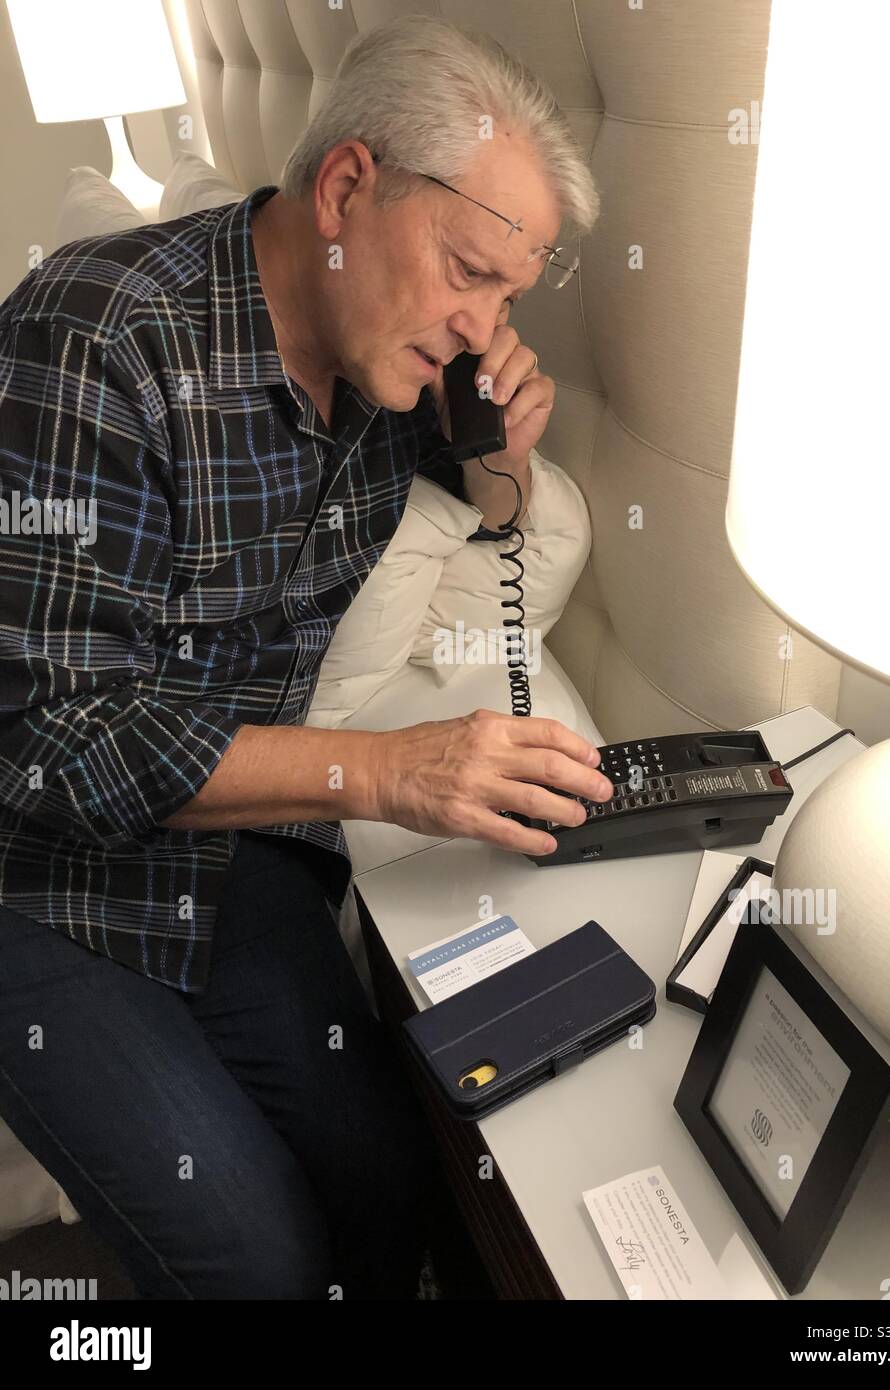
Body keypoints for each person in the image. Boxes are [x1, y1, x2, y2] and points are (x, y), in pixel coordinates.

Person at [0, 14, 607, 1298]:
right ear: (346, 186)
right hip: (38, 874)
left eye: (509, 297)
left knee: (400, 1180)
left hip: (231, 850)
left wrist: (495, 445)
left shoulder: (390, 369)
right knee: (254, 1253)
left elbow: (499, 527)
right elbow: (51, 742)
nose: (479, 324)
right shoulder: (94, 336)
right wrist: (385, 774)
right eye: (468, 271)